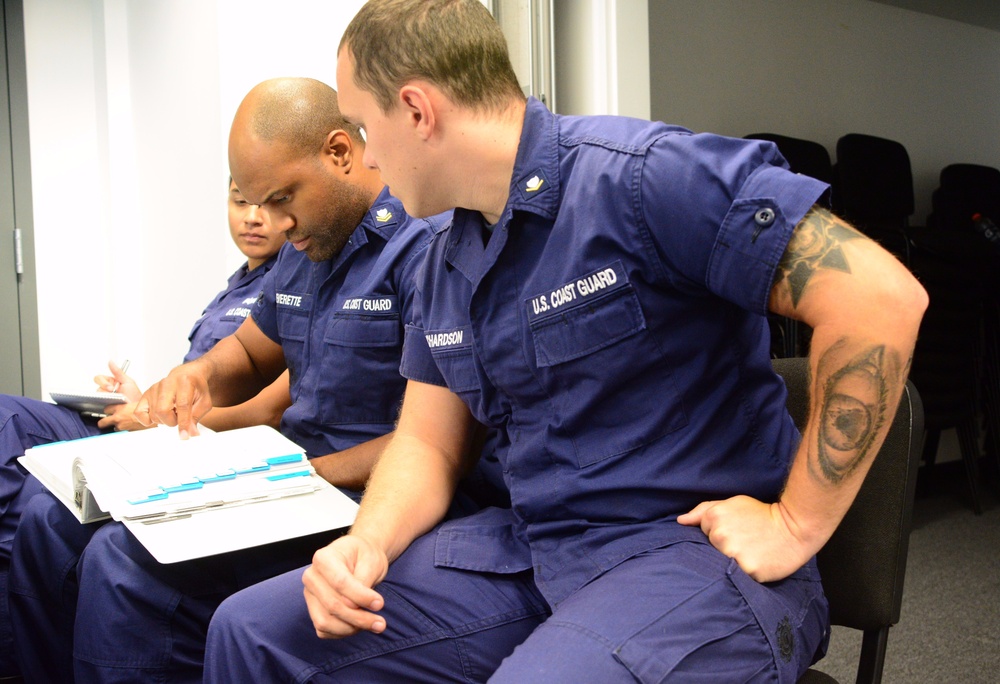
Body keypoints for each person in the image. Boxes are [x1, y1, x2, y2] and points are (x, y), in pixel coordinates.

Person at [202, 1, 930, 682]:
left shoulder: (643, 180)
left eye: (362, 128)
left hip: (690, 557)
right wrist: (368, 542)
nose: (364, 156)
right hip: (537, 550)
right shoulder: (443, 259)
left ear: (417, 110)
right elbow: (425, 444)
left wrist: (797, 523)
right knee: (253, 630)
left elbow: (879, 297)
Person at [8, 77, 451, 684]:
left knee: (124, 564)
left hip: (356, 498)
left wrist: (297, 475)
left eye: (280, 197)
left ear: (341, 154)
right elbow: (248, 352)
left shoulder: (422, 246)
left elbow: (433, 440)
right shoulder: (306, 241)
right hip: (290, 480)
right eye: (251, 199)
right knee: (52, 518)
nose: (269, 220)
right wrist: (200, 374)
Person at [0, 177, 288, 678]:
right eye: (239, 201)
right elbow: (194, 382)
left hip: (181, 437)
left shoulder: (291, 285)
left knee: (45, 506)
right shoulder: (231, 288)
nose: (251, 216)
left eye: (267, 204)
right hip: (155, 426)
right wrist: (140, 399)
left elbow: (265, 408)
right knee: (8, 423)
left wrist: (151, 420)